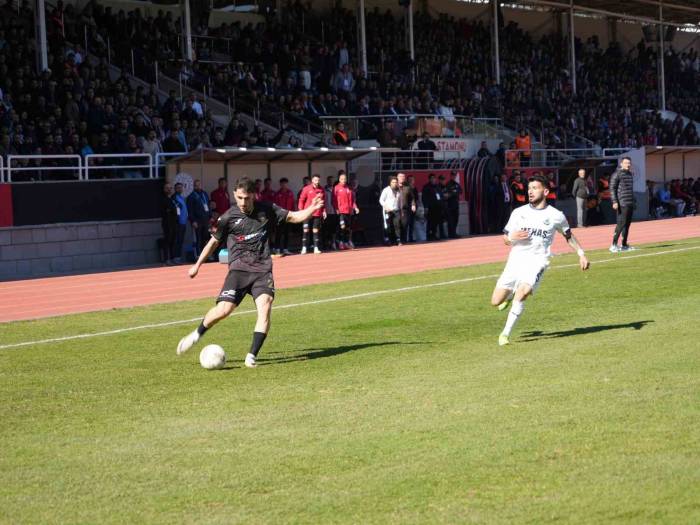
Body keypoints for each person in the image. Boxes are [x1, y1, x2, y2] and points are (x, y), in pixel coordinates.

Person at [175, 177, 325, 368]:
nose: (243, 202)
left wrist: (311, 209)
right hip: (238, 271)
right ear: (234, 195)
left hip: (262, 271)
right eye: (239, 198)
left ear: (253, 195)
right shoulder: (228, 217)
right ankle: (196, 335)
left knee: (265, 306)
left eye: (246, 198)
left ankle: (251, 356)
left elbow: (294, 217)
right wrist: (197, 265)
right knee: (224, 310)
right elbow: (213, 242)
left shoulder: (267, 209)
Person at [491, 174, 590, 346]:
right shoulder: (518, 213)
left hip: (538, 260)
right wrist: (510, 237)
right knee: (495, 301)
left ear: (545, 191)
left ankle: (505, 334)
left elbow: (568, 235)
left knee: (523, 292)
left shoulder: (556, 215)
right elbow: (506, 238)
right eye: (529, 188)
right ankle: (510, 295)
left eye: (534, 188)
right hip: (516, 260)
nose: (530, 191)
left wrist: (581, 253)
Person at [609, 157, 636, 252]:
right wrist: (614, 201)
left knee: (627, 225)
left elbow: (630, 189)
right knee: (621, 223)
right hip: (622, 202)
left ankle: (624, 245)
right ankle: (613, 245)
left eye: (629, 163)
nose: (628, 165)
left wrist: (634, 201)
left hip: (630, 202)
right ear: (621, 164)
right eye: (626, 163)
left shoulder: (630, 174)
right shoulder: (617, 174)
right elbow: (612, 188)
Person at [298, 174, 326, 254]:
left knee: (315, 231)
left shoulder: (322, 189)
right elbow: (301, 200)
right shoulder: (306, 189)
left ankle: (316, 248)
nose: (317, 182)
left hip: (317, 213)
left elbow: (323, 201)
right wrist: (301, 210)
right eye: (315, 180)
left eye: (318, 180)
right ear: (312, 180)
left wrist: (324, 211)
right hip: (307, 213)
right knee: (305, 230)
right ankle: (304, 248)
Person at [333, 170, 359, 250]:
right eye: (342, 179)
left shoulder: (348, 188)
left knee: (347, 228)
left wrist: (355, 207)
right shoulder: (336, 188)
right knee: (342, 227)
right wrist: (336, 209)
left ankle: (345, 242)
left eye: (345, 179)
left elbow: (352, 200)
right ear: (339, 179)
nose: (343, 180)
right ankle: (340, 242)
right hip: (341, 212)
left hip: (349, 211)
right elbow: (333, 200)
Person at [187, 179, 212, 256]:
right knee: (198, 238)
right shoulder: (191, 196)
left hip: (206, 220)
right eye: (196, 185)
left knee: (205, 238)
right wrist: (193, 221)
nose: (198, 187)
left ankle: (205, 255)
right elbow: (190, 210)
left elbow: (208, 205)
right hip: (197, 221)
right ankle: (198, 255)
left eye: (199, 185)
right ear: (193, 186)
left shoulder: (204, 193)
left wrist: (210, 216)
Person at [273, 178, 295, 255]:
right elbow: (275, 206)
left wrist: (293, 213)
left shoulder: (290, 193)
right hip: (280, 217)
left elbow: (292, 204)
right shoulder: (277, 194)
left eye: (285, 183)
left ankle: (285, 249)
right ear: (280, 184)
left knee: (287, 233)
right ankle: (277, 249)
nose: (284, 185)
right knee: (279, 233)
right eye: (282, 184)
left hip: (288, 216)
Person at [379, 176, 402, 245]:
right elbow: (381, 200)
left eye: (396, 182)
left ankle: (398, 240)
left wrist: (400, 209)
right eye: (393, 182)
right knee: (387, 225)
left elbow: (399, 201)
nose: (394, 183)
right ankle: (387, 239)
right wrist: (386, 206)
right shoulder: (386, 190)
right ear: (390, 183)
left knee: (397, 225)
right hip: (387, 211)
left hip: (396, 210)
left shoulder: (398, 190)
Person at [160, 183, 178, 265]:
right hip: (167, 223)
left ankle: (172, 258)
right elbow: (168, 210)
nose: (169, 189)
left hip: (174, 222)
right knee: (167, 241)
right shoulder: (163, 199)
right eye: (167, 188)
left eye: (170, 188)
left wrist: (172, 210)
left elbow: (174, 209)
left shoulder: (172, 199)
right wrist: (171, 210)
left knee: (173, 241)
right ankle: (166, 259)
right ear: (164, 189)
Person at [397, 172, 416, 244]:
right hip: (396, 209)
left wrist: (413, 205)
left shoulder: (408, 187)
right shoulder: (394, 187)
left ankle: (404, 240)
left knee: (405, 225)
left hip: (405, 209)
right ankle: (397, 239)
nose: (402, 178)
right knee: (397, 224)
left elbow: (412, 198)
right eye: (400, 176)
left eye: (403, 177)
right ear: (397, 177)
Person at [445, 171, 462, 238]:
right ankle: (451, 234)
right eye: (453, 175)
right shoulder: (448, 184)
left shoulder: (456, 184)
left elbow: (460, 191)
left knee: (456, 219)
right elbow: (448, 194)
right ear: (450, 176)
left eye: (455, 175)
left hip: (456, 204)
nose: (454, 176)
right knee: (450, 220)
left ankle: (454, 233)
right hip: (450, 205)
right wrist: (454, 192)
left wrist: (453, 193)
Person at [323, 175, 338, 250]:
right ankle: (326, 243)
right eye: (329, 180)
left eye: (332, 180)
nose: (331, 182)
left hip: (335, 212)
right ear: (327, 181)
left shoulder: (336, 190)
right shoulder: (323, 190)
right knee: (326, 229)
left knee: (334, 229)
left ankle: (333, 243)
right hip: (326, 213)